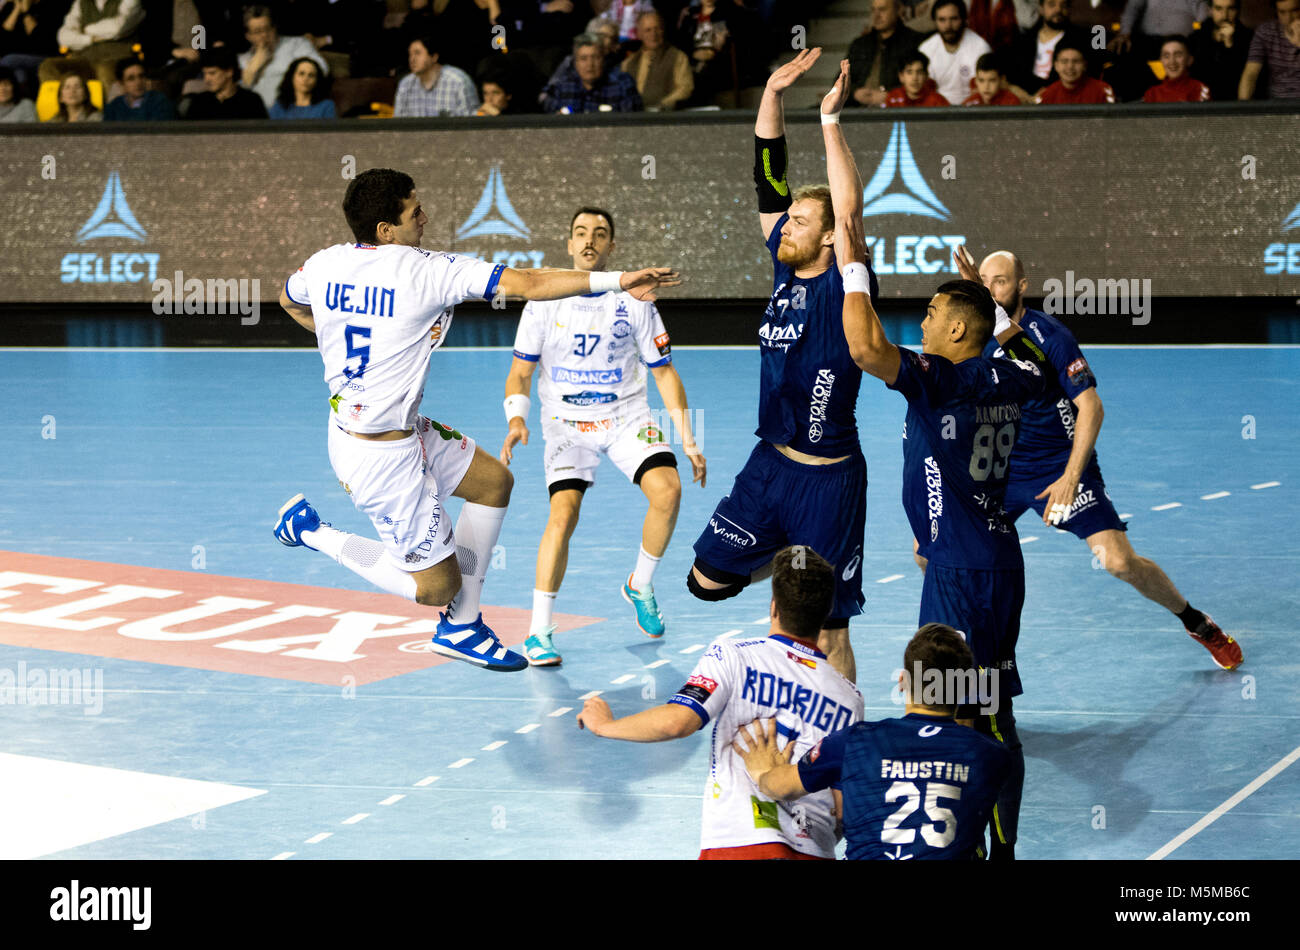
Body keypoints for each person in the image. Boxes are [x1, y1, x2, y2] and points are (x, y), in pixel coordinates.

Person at [274, 168, 680, 673]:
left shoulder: (325, 262)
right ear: (386, 230)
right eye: (413, 210)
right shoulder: (425, 269)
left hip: (405, 429)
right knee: (434, 587)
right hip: (375, 455)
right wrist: (619, 280)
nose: (424, 216)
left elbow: (289, 297)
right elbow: (528, 283)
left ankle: (463, 625)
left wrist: (333, 336)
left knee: (494, 482)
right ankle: (312, 531)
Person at [836, 212, 1053, 859]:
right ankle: (998, 846)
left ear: (957, 329)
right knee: (991, 709)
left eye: (932, 312)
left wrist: (853, 271)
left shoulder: (943, 380)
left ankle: (971, 847)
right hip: (994, 559)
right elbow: (1036, 360)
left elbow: (866, 350)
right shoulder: (1010, 376)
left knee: (952, 710)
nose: (923, 322)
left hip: (960, 575)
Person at [687, 51, 876, 684]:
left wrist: (827, 120)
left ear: (828, 238)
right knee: (706, 582)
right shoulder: (783, 268)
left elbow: (847, 211)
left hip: (828, 481)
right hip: (769, 464)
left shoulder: (846, 281)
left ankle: (842, 735)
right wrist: (771, 91)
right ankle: (790, 556)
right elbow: (768, 174)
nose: (783, 224)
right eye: (786, 217)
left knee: (828, 624)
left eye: (799, 220)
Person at [968, 249, 1243, 671]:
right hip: (1000, 469)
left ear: (1022, 285)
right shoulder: (973, 334)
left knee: (1118, 562)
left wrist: (1070, 478)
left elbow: (1092, 408)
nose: (991, 289)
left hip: (1059, 466)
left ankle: (1196, 622)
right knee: (927, 551)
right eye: (983, 280)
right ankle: (964, 650)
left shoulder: (1051, 337)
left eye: (1000, 280)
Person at [500, 207, 707, 665]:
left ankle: (640, 584)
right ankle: (538, 632)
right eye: (580, 233)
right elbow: (520, 373)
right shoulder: (543, 302)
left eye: (600, 234)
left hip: (626, 416)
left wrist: (688, 438)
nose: (589, 240)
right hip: (565, 422)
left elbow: (665, 373)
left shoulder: (635, 301)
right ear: (569, 245)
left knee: (668, 491)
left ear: (612, 247)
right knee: (563, 515)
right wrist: (517, 418)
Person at [576, 546, 864, 859]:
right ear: (826, 612)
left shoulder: (734, 655)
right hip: (815, 850)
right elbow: (843, 811)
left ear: (774, 607)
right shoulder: (850, 699)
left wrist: (605, 725)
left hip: (739, 843)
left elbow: (678, 721)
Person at [733, 623, 1012, 860]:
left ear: (902, 681)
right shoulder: (993, 758)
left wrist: (764, 770)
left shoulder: (855, 741)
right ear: (963, 690)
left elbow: (780, 787)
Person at [238, 5, 328, 110]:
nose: (264, 35)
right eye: (258, 31)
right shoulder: (242, 60)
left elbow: (322, 69)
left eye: (267, 29)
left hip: (291, 113)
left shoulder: (296, 45)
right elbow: (235, 96)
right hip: (256, 119)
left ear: (275, 28)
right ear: (248, 36)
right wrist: (253, 69)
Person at [1005, 0, 1098, 99]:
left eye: (1063, 5)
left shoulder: (1081, 40)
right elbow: (1011, 75)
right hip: (1025, 102)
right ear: (1041, 8)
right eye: (1052, 4)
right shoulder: (1023, 40)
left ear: (1069, 9)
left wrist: (1049, 92)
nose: (1058, 9)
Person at [48, 0, 143, 91]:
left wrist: (84, 30)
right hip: (83, 60)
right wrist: (89, 39)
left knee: (104, 70)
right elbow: (63, 37)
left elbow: (118, 27)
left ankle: (112, 107)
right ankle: (57, 107)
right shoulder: (81, 2)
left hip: (115, 58)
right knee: (49, 67)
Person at [847, 0, 923, 108]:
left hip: (898, 110)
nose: (876, 15)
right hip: (857, 109)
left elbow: (922, 81)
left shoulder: (914, 41)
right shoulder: (860, 44)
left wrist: (890, 95)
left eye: (882, 10)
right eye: (873, 10)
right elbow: (840, 80)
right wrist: (855, 93)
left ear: (898, 10)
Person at [540, 31, 641, 112]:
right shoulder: (562, 86)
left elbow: (632, 125)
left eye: (595, 57)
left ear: (604, 59)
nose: (590, 64)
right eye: (584, 58)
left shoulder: (623, 84)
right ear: (575, 62)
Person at [917, 0, 991, 105]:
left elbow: (985, 90)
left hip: (972, 110)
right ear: (935, 21)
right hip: (936, 110)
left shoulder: (981, 47)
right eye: (942, 20)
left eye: (954, 19)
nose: (948, 26)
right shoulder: (926, 49)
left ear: (964, 19)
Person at [620, 9, 692, 110]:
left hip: (664, 117)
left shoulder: (678, 57)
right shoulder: (629, 62)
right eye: (648, 30)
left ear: (664, 30)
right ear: (639, 34)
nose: (653, 34)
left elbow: (685, 88)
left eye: (658, 29)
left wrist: (663, 105)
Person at [393, 34, 480, 116]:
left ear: (434, 57)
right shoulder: (405, 84)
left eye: (417, 53)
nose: (412, 59)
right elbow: (398, 124)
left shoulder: (458, 81)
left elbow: (471, 123)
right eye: (410, 54)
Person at [1189, 0, 1253, 102]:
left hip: (1235, 103)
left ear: (1238, 11)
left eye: (1230, 9)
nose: (1225, 15)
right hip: (1201, 104)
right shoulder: (1197, 37)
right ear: (1210, 10)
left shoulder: (1249, 38)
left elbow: (1245, 79)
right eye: (1219, 9)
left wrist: (1229, 45)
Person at [183, 46, 268, 120]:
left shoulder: (251, 102)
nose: (206, 80)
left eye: (212, 73)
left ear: (229, 72)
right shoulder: (199, 103)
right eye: (204, 74)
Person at [1239, 0, 1300, 99]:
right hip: (1277, 102)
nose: (1289, 18)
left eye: (1294, 11)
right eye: (1282, 12)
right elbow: (1251, 73)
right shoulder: (1266, 31)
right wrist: (1242, 109)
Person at [1032, 42, 1115, 103]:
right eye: (1064, 61)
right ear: (1056, 66)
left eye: (1076, 61)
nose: (1070, 66)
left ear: (1085, 65)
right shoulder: (1047, 94)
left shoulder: (1103, 90)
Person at [103, 56, 175, 120]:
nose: (138, 82)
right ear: (122, 84)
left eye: (141, 76)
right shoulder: (114, 107)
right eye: (131, 79)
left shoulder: (160, 102)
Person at [1143, 35, 1211, 101]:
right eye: (1166, 56)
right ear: (1161, 60)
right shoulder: (1152, 93)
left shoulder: (1199, 89)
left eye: (1178, 55)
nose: (1172, 61)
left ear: (1190, 60)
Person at [269, 56, 336, 118]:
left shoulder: (326, 106)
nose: (306, 79)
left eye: (311, 75)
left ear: (317, 80)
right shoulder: (280, 105)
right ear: (292, 77)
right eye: (301, 74)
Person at [885, 50, 951, 105]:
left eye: (919, 72)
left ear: (926, 76)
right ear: (901, 76)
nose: (915, 78)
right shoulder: (893, 98)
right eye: (909, 72)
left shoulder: (937, 101)